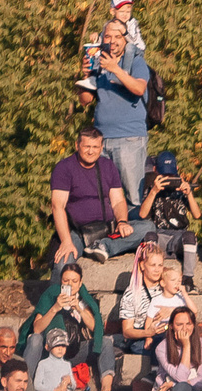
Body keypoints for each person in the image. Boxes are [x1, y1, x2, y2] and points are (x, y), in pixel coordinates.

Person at [48, 126, 134, 265]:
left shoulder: (108, 166)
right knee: (63, 262)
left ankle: (104, 247)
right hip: (79, 232)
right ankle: (55, 288)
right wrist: (66, 241)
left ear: (101, 147)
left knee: (146, 228)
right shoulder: (64, 168)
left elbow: (118, 201)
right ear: (77, 145)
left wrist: (122, 222)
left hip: (108, 229)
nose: (90, 151)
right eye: (87, 146)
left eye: (95, 147)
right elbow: (57, 206)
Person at [83, 19, 151, 192]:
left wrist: (115, 69)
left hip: (129, 138)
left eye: (117, 36)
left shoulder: (136, 62)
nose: (112, 41)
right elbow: (85, 100)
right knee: (103, 194)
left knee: (132, 195)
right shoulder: (98, 63)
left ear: (125, 40)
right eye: (108, 36)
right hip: (101, 140)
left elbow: (139, 88)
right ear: (102, 39)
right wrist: (85, 75)